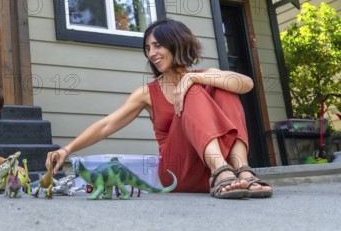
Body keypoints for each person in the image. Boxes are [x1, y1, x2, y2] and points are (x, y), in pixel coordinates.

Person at [46, 18, 272, 199]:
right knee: (190, 89)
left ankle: (242, 169)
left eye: (157, 45)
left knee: (224, 86)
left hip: (220, 172)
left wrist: (191, 78)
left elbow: (247, 84)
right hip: (180, 170)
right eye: (147, 48)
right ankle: (221, 170)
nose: (151, 53)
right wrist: (67, 149)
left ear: (177, 43)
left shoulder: (204, 75)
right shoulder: (147, 93)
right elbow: (107, 125)